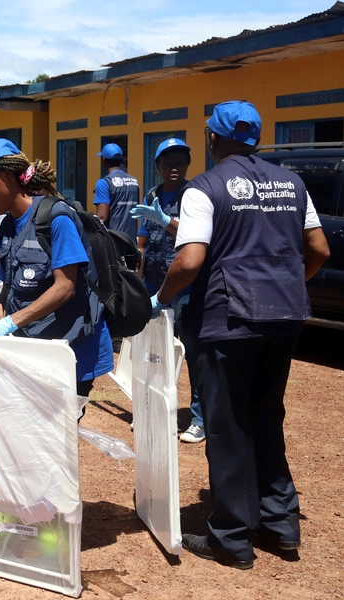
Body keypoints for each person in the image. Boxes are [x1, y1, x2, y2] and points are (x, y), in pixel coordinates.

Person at [154, 101, 329, 569]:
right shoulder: (291, 182)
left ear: (212, 139)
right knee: (267, 416)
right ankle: (280, 524)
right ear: (255, 138)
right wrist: (288, 284)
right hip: (285, 317)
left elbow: (189, 261)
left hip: (228, 321)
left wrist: (162, 296)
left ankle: (231, 538)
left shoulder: (203, 188)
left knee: (228, 426)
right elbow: (319, 248)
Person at [0, 137, 114, 402]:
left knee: (56, 438)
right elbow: (6, 297)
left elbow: (65, 287)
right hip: (37, 348)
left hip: (72, 351)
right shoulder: (7, 228)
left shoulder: (55, 218)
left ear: (7, 176)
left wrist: (9, 323)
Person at [130, 138, 204, 444]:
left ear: (187, 164)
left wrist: (164, 220)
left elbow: (194, 234)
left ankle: (199, 418)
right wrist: (136, 261)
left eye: (180, 162)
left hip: (184, 283)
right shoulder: (153, 193)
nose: (174, 168)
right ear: (158, 167)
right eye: (167, 163)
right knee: (150, 349)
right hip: (154, 280)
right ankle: (151, 408)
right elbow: (143, 237)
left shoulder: (195, 195)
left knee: (192, 350)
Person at [94, 143, 140, 241]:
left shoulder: (104, 183)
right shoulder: (134, 181)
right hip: (131, 241)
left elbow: (102, 217)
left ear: (104, 160)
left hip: (114, 242)